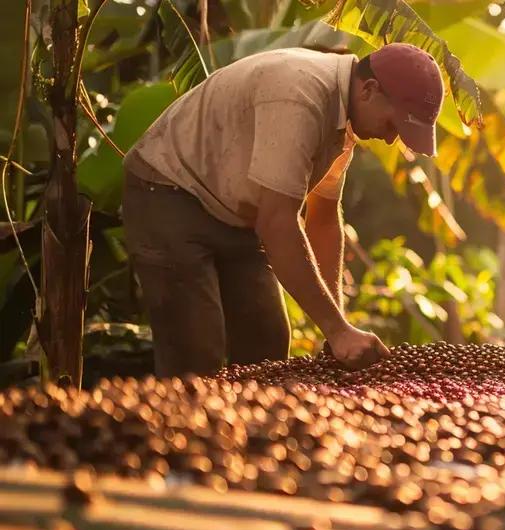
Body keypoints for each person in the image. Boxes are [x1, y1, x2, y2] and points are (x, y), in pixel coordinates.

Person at [122, 43, 445, 377]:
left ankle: (252, 429)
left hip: (235, 212)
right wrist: (338, 331)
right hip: (168, 191)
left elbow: (322, 218)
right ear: (369, 89)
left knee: (266, 345)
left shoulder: (343, 118)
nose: (392, 140)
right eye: (393, 125)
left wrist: (335, 327)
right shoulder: (301, 96)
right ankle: (178, 428)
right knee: (197, 355)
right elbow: (278, 222)